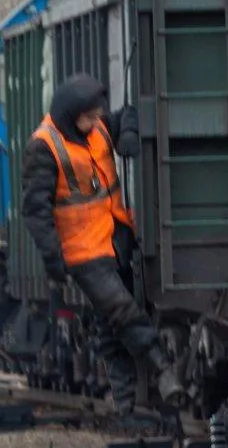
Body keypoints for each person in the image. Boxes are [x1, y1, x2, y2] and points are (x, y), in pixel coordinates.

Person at [20, 73, 185, 414]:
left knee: (110, 325)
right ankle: (163, 370)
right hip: (84, 252)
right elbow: (36, 212)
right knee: (121, 310)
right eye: (90, 116)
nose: (97, 122)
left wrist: (127, 133)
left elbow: (127, 113)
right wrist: (54, 261)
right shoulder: (44, 147)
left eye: (98, 115)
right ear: (71, 115)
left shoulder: (95, 128)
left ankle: (126, 406)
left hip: (115, 235)